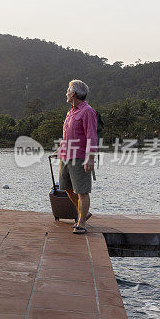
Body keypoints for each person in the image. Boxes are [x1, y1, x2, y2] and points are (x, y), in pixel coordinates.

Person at [58, 79, 97, 234]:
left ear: (73, 93)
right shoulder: (71, 111)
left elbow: (91, 136)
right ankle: (84, 213)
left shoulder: (87, 111)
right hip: (66, 156)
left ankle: (81, 223)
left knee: (82, 191)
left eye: (68, 90)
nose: (66, 92)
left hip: (80, 157)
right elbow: (68, 134)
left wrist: (90, 158)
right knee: (66, 187)